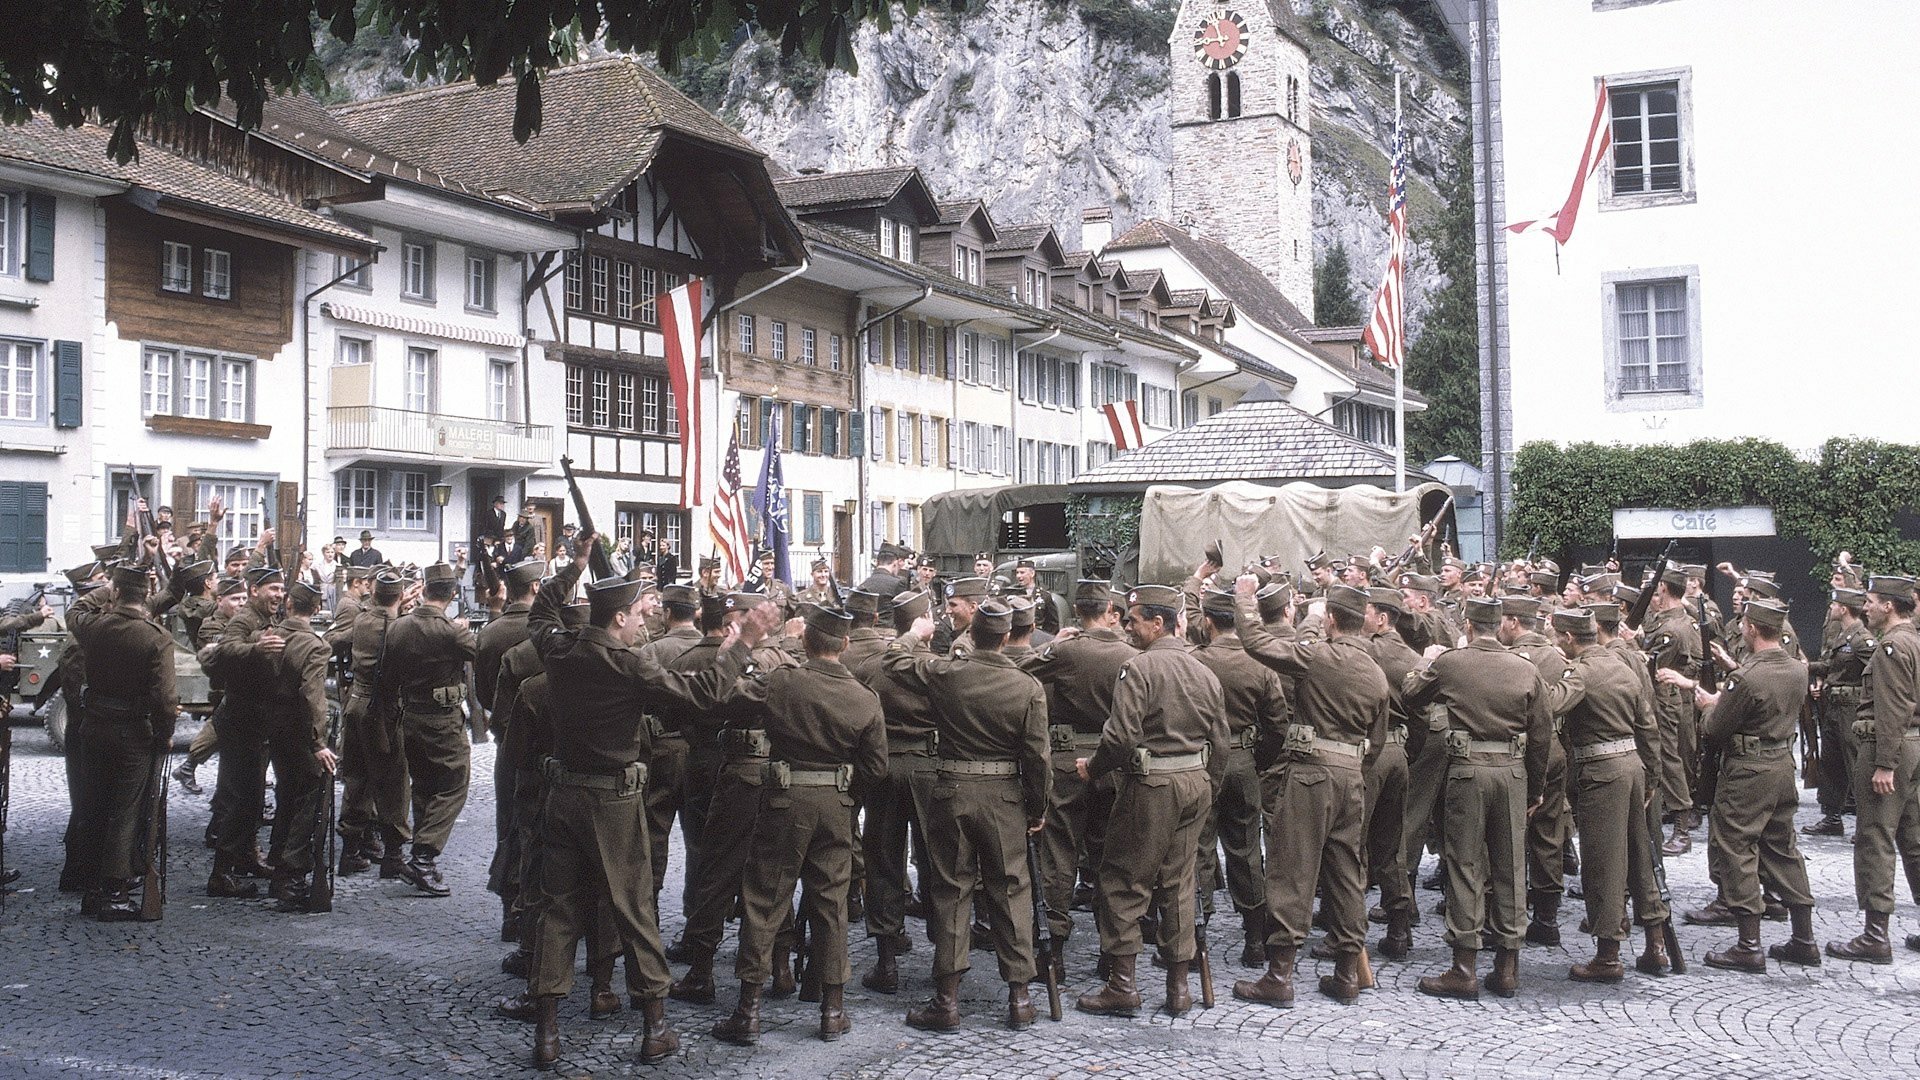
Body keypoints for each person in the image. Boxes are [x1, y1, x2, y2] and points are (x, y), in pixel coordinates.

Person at [523, 535, 778, 1068]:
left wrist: (573, 567)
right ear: (618, 620)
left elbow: (542, 612)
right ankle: (655, 1025)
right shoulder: (629, 666)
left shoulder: (562, 650)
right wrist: (746, 643)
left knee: (558, 911)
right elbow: (704, 694)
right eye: (641, 612)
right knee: (634, 908)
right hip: (613, 804)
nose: (647, 620)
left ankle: (546, 1036)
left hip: (563, 794)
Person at [712, 604, 887, 1045]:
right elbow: (876, 767)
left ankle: (748, 1011)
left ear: (806, 641)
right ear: (845, 644)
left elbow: (728, 695)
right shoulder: (865, 698)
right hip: (836, 804)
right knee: (831, 906)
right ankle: (832, 1010)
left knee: (764, 900)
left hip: (783, 800)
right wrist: (847, 794)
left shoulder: (782, 681)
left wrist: (743, 646)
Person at [880, 599, 1050, 1031]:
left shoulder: (947, 674)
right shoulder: (1027, 687)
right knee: (1011, 892)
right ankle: (1020, 997)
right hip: (1005, 798)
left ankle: (947, 1001)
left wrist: (915, 634)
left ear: (972, 634)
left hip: (952, 791)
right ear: (1008, 637)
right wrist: (1037, 807)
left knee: (951, 891)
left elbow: (894, 661)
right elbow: (1037, 759)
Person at [1230, 581, 1389, 1007]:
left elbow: (1256, 642)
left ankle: (1279, 976)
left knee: (1292, 870)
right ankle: (1345, 975)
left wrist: (1245, 596)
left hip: (1310, 775)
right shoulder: (1376, 672)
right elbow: (1378, 737)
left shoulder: (1318, 656)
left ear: (1334, 620)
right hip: (1352, 777)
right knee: (1346, 876)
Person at [1074, 585, 1227, 1016]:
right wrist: (1207, 784)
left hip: (1152, 786)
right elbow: (1222, 740)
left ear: (1157, 623)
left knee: (1124, 879)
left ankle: (1122, 986)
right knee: (1180, 884)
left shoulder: (1138, 669)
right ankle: (1178, 989)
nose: (1127, 626)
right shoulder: (1204, 671)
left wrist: (1095, 768)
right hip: (1194, 782)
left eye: (1134, 619)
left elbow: (1120, 736)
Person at [1401, 596, 1552, 1001]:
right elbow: (1541, 736)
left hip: (1466, 771)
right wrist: (1535, 787)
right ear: (1501, 624)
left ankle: (1464, 967)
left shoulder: (1452, 663)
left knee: (1465, 864)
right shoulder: (1526, 669)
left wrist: (1425, 660)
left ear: (1467, 625)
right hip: (1513, 773)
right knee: (1511, 867)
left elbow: (1411, 694)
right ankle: (1507, 967)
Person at [1017, 581, 1136, 980]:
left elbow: (1014, 669)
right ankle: (1111, 953)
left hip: (1067, 761)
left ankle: (1054, 953)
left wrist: (1049, 647)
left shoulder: (1066, 650)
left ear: (1076, 614)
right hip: (1115, 762)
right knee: (1111, 860)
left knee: (1059, 854)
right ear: (1110, 611)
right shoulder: (1131, 655)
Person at [1549, 607, 1671, 981]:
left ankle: (1607, 956)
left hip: (1601, 773)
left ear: (1569, 638)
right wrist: (1651, 778)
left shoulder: (1582, 671)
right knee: (1639, 856)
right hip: (1633, 767)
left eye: (1557, 637)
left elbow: (1550, 704)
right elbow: (1648, 727)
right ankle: (1655, 945)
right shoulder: (1624, 667)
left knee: (1603, 861)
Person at [68, 561, 176, 920]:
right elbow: (164, 699)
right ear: (146, 595)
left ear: (115, 592)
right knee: (126, 810)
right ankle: (114, 890)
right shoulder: (155, 636)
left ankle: (92, 886)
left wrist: (109, 586)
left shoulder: (94, 627)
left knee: (95, 805)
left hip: (94, 727)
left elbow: (76, 609)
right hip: (133, 731)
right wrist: (165, 735)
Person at [1190, 588, 1287, 967]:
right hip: (1244, 762)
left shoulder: (1196, 661)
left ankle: (1196, 936)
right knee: (1246, 850)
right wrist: (1256, 759)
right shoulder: (1260, 664)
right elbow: (1277, 725)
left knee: (1198, 849)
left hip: (1203, 761)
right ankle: (1254, 938)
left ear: (1209, 621)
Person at [847, 589, 936, 993]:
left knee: (882, 859)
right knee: (938, 862)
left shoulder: (870, 667)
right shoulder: (939, 667)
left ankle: (886, 960)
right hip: (929, 767)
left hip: (883, 768)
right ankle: (944, 955)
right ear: (925, 625)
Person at [1826, 576, 1919, 963]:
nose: (1865, 608)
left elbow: (1893, 710)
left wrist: (1884, 764)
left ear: (1889, 607)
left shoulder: (1893, 647)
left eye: (1871, 601)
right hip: (1913, 748)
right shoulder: (1914, 640)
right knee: (1914, 840)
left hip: (1889, 749)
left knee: (1876, 837)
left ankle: (1875, 936)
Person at [383, 562, 478, 897]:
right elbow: (476, 651)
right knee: (454, 785)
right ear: (452, 594)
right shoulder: (451, 631)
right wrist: (460, 626)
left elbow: (387, 672)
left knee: (423, 786)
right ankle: (424, 856)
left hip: (410, 715)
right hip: (443, 720)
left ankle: (421, 863)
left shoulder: (398, 627)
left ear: (423, 589)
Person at [202, 565, 288, 898]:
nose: (278, 595)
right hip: (240, 718)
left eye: (281, 590)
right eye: (272, 589)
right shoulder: (244, 620)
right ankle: (221, 873)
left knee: (253, 797)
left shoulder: (268, 620)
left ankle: (248, 856)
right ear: (254, 591)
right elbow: (223, 650)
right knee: (238, 797)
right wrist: (256, 647)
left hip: (259, 719)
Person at [478, 560, 544, 930]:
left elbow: (483, 696)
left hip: (507, 743)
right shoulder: (553, 632)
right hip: (545, 746)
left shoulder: (490, 633)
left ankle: (512, 911)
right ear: (535, 588)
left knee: (509, 826)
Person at [264, 580, 336, 912]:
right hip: (300, 728)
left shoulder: (272, 636)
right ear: (316, 609)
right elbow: (313, 697)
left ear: (289, 605)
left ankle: (279, 868)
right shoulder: (315, 645)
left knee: (286, 795)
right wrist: (319, 742)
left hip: (274, 725)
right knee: (309, 800)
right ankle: (291, 877)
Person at [1804, 587, 1872, 837]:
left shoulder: (1863, 639)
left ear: (1843, 608)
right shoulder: (1842, 636)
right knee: (1831, 764)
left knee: (1856, 764)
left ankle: (1867, 824)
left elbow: (1877, 671)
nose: (1830, 608)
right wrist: (1808, 666)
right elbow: (1833, 666)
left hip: (1851, 710)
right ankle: (1832, 817)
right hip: (1833, 707)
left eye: (1834, 605)